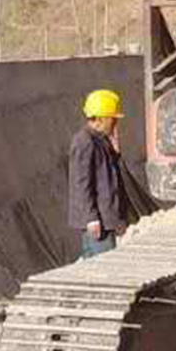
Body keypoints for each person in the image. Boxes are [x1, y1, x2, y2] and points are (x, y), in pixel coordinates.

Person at [67, 88, 140, 257]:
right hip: (97, 221)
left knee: (101, 264)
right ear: (100, 119)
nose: (115, 123)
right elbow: (81, 184)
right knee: (102, 267)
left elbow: (108, 175)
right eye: (112, 119)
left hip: (105, 218)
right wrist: (91, 218)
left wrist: (115, 153)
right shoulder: (84, 142)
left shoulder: (100, 140)